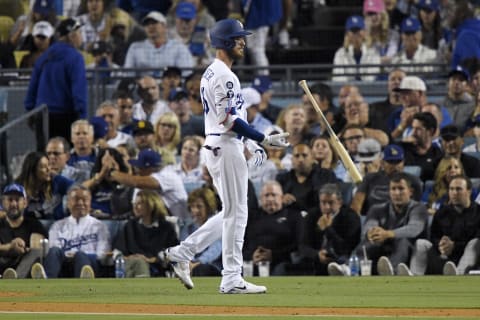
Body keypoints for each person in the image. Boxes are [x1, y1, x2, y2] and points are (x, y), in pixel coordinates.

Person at [161, 18, 289, 294]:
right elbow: (229, 121)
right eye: (238, 38)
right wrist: (262, 138)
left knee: (230, 212)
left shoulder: (215, 72)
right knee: (237, 213)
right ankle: (231, 277)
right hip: (224, 146)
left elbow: (233, 119)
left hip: (222, 145)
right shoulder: (224, 75)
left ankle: (183, 252)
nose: (243, 42)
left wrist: (252, 146)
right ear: (225, 42)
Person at [24, 17, 87, 144]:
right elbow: (78, 90)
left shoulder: (44, 57)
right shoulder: (75, 58)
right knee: (64, 158)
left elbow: (32, 88)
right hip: (66, 116)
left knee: (45, 157)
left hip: (42, 115)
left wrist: (30, 111)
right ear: (71, 35)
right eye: (79, 33)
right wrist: (82, 117)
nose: (81, 37)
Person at [402, 175, 480, 276]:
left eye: (458, 189)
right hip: (444, 258)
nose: (454, 193)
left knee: (475, 242)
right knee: (421, 243)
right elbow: (434, 237)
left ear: (469, 191)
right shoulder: (442, 212)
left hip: (468, 258)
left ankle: (458, 275)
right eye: (451, 189)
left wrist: (454, 246)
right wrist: (441, 244)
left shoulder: (478, 212)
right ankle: (414, 277)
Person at [354, 172, 429, 275]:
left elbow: (414, 229)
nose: (397, 193)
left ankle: (391, 270)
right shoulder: (377, 208)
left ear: (410, 192)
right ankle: (349, 269)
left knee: (403, 240)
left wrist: (388, 234)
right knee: (368, 242)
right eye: (393, 189)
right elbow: (368, 227)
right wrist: (371, 233)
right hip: (384, 249)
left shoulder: (419, 208)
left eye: (401, 189)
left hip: (412, 252)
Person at [30, 185, 111, 279]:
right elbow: (54, 248)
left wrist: (78, 254)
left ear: (90, 203)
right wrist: (71, 256)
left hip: (90, 266)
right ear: (68, 203)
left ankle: (84, 283)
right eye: (76, 199)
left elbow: (102, 254)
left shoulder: (100, 227)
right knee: (54, 251)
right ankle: (45, 280)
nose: (80, 203)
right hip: (64, 265)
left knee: (80, 256)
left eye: (84, 199)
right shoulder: (58, 226)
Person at [113, 189, 178, 277]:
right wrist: (129, 258)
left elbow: (174, 252)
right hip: (131, 264)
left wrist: (152, 259)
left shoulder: (166, 227)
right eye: (134, 203)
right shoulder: (129, 226)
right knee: (137, 263)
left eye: (139, 203)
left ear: (151, 205)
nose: (135, 206)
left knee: (141, 263)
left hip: (157, 267)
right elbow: (117, 252)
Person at [243, 181, 303, 276]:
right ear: (261, 199)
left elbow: (298, 246)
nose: (270, 199)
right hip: (252, 262)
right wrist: (251, 256)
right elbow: (242, 244)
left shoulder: (293, 216)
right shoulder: (251, 217)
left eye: (274, 195)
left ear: (282, 198)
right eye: (266, 195)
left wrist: (273, 255)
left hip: (282, 263)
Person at [300, 183, 361, 276]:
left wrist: (328, 229)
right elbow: (303, 245)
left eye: (331, 203)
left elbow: (347, 248)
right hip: (316, 260)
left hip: (341, 259)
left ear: (340, 202)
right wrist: (317, 254)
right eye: (323, 203)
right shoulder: (312, 215)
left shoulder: (351, 217)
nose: (327, 207)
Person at [351, 144, 423, 216]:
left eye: (398, 161)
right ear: (382, 163)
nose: (395, 166)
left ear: (403, 162)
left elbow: (416, 208)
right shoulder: (369, 178)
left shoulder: (414, 181)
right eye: (391, 161)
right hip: (373, 219)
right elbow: (356, 205)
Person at [123, 11, 194, 77]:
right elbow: (128, 75)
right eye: (147, 24)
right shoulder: (135, 48)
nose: (150, 26)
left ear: (164, 26)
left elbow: (187, 74)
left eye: (154, 23)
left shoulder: (179, 47)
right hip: (143, 88)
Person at [0, 184, 48, 279]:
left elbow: (36, 248)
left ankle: (16, 278)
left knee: (36, 253)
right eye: (10, 200)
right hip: (2, 266)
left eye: (17, 200)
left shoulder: (34, 224)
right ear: (3, 203)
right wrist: (10, 246)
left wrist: (23, 248)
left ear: (25, 203)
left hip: (25, 268)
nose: (13, 204)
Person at [276, 144, 338, 212]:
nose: (301, 159)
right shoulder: (282, 179)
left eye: (304, 155)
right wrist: (281, 199)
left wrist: (296, 202)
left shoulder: (326, 175)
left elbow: (329, 201)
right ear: (292, 160)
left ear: (312, 158)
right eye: (297, 156)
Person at [15, 151, 74, 220]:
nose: (49, 169)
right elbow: (4, 211)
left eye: (48, 165)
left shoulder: (56, 180)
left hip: (56, 227)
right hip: (29, 228)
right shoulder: (18, 187)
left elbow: (79, 190)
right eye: (43, 166)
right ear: (32, 170)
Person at [179, 187, 222, 277]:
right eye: (192, 206)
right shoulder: (187, 226)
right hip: (191, 266)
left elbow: (215, 250)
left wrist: (196, 263)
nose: (194, 210)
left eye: (199, 206)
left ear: (209, 207)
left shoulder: (217, 224)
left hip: (215, 266)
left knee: (201, 269)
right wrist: (189, 263)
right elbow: (185, 247)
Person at [332, 15, 381, 82]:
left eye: (358, 30)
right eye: (353, 31)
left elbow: (372, 78)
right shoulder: (340, 53)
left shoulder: (373, 52)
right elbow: (338, 79)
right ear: (347, 34)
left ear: (364, 32)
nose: (356, 34)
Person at [402, 112, 443, 181]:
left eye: (418, 129)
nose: (413, 133)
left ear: (430, 131)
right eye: (413, 128)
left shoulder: (437, 154)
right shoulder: (403, 148)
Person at [368, 68, 405, 134]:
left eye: (400, 79)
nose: (396, 82)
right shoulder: (374, 109)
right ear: (388, 85)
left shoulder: (413, 110)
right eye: (392, 79)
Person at [442, 66, 475, 132]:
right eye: (453, 79)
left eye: (461, 79)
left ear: (467, 84)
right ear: (448, 83)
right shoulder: (440, 105)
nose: (456, 83)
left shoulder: (474, 105)